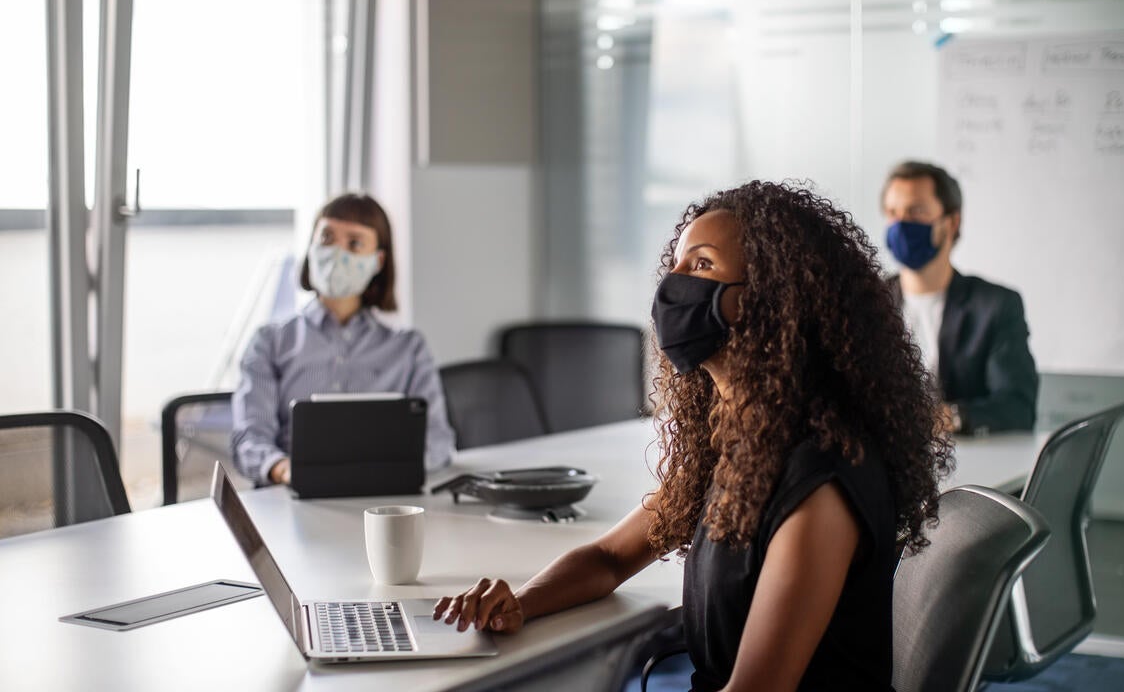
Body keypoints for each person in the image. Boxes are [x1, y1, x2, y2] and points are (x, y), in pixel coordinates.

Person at [434, 181, 952, 691]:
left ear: (773, 301)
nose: (673, 287)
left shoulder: (824, 481)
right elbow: (610, 558)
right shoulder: (740, 443)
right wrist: (520, 604)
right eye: (676, 267)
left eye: (702, 266)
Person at [231, 193, 456, 486]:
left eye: (354, 243)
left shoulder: (408, 348)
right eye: (326, 238)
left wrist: (378, 470)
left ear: (378, 261)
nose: (337, 252)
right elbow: (249, 438)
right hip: (290, 497)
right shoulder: (270, 342)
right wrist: (284, 469)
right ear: (311, 247)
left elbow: (438, 441)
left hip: (384, 500)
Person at [881, 160, 1039, 435]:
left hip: (963, 464)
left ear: (952, 222)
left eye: (916, 211)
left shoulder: (995, 306)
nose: (901, 224)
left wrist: (946, 418)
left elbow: (1018, 407)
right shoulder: (867, 302)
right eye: (893, 212)